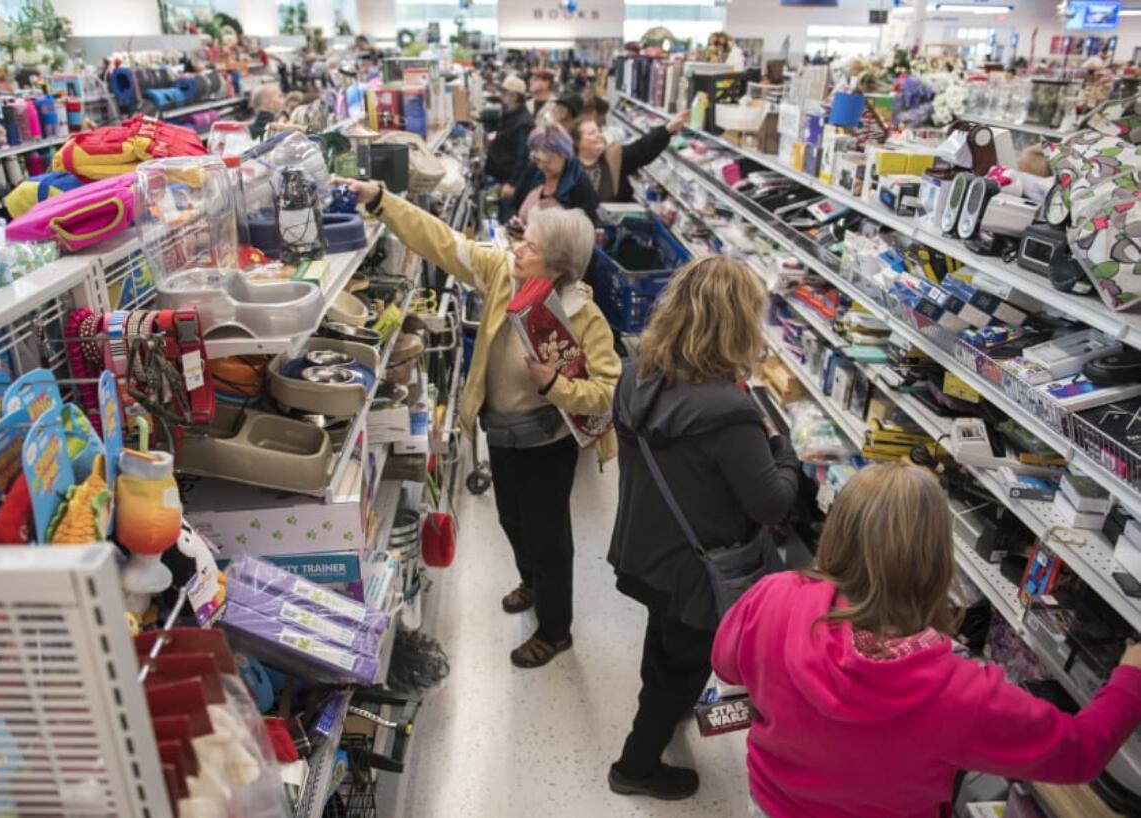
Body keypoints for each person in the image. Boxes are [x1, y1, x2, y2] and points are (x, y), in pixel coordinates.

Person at [713, 462, 1141, 818]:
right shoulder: (961, 691)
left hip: (774, 805)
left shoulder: (773, 596)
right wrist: (1130, 676)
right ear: (936, 559)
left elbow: (727, 665)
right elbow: (1080, 753)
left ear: (838, 530)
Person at [338, 175, 620, 669]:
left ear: (557, 266)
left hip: (547, 443)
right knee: (512, 517)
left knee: (550, 535)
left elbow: (607, 393)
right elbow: (443, 242)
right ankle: (530, 580)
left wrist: (555, 384)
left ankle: (555, 631)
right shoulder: (502, 275)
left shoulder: (583, 315)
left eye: (528, 247)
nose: (516, 249)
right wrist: (381, 200)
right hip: (500, 432)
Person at [607, 256, 800, 801]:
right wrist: (782, 448)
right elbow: (771, 504)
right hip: (698, 571)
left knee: (663, 643)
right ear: (739, 323)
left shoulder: (636, 372)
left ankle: (660, 714)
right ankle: (635, 765)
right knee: (685, 663)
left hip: (644, 550)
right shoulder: (730, 412)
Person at [571, 108, 689, 203]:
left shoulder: (613, 156)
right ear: (577, 141)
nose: (599, 135)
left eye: (599, 131)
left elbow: (641, 150)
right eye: (592, 133)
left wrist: (667, 129)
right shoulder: (569, 167)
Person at [511, 123, 600, 227]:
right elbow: (513, 204)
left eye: (548, 161)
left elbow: (589, 224)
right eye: (538, 160)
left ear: (563, 154)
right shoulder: (533, 170)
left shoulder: (579, 181)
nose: (542, 166)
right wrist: (514, 220)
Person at [486, 75, 535, 221]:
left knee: (507, 216)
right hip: (503, 177)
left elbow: (523, 157)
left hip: (510, 182)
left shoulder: (523, 122)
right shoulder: (511, 114)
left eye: (504, 93)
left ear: (513, 96)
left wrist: (512, 183)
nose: (501, 97)